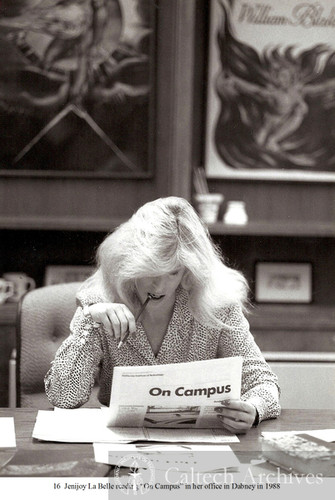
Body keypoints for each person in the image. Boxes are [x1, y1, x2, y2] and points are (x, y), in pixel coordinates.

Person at [45, 196, 280, 433]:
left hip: (195, 445)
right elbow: (64, 397)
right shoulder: (99, 302)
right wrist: (90, 322)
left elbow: (263, 383)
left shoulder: (217, 306)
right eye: (151, 271)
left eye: (172, 273)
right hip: (122, 442)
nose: (159, 287)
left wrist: (253, 408)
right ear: (129, 262)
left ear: (189, 271)